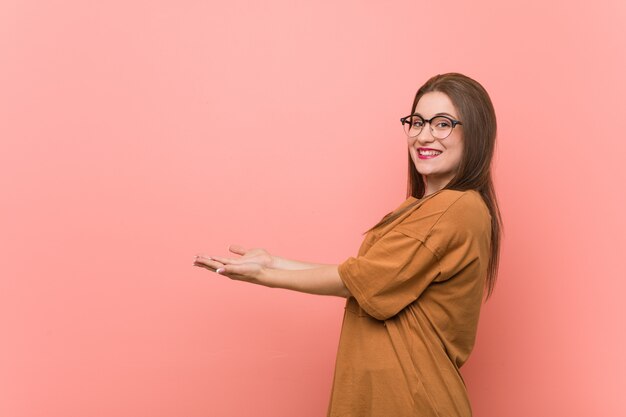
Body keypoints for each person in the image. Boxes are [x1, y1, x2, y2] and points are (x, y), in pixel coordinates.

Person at [193, 72, 502, 417]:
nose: (423, 135)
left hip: (411, 402)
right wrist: (273, 262)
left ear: (474, 133)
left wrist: (265, 275)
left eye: (442, 123)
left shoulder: (458, 209)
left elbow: (359, 280)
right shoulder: (416, 210)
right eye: (417, 122)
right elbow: (359, 277)